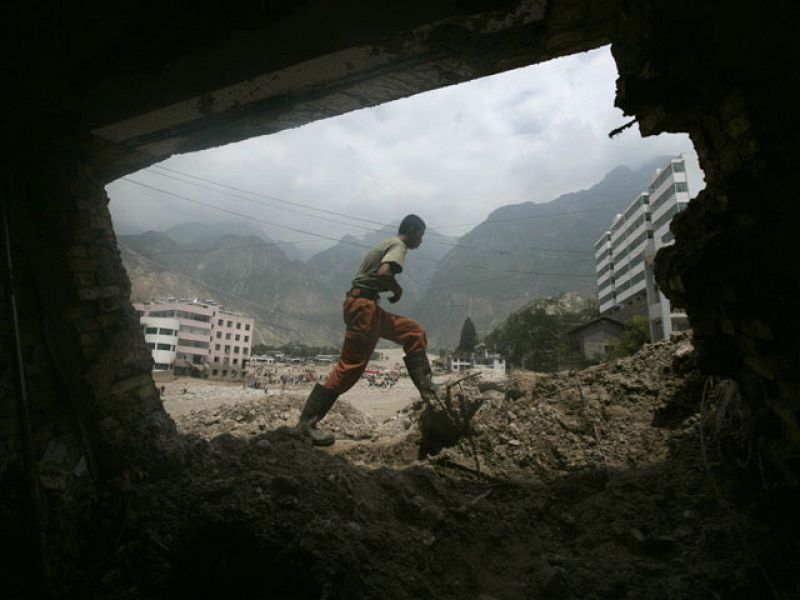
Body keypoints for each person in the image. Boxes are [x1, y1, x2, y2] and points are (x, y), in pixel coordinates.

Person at [296, 214, 439, 446]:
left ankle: (428, 389)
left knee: (414, 332)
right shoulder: (398, 245)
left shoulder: (386, 244)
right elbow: (384, 273)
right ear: (411, 231)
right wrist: (397, 290)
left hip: (368, 306)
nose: (421, 241)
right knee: (350, 367)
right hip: (363, 308)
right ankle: (306, 425)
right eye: (421, 235)